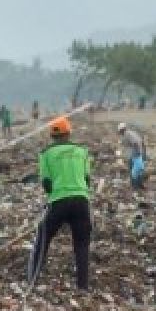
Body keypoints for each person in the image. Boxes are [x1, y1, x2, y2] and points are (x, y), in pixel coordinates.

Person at [33, 116, 92, 290]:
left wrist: (54, 194)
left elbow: (46, 183)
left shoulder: (46, 154)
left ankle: (33, 278)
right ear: (69, 133)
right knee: (81, 245)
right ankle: (83, 287)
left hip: (59, 201)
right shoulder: (82, 152)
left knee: (43, 237)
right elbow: (87, 179)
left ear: (52, 136)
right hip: (81, 201)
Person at [117, 122, 147, 190]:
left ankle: (135, 186)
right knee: (139, 170)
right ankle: (140, 184)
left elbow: (135, 143)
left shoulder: (127, 134)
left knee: (133, 171)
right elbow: (141, 142)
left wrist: (137, 153)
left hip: (134, 155)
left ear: (121, 130)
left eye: (120, 131)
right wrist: (143, 153)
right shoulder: (132, 133)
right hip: (138, 154)